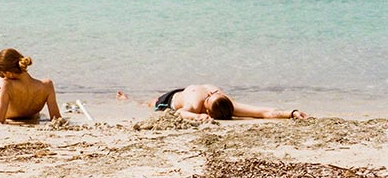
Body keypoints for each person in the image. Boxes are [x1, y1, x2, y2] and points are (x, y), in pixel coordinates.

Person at [118, 84, 308, 121]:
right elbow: (180, 112)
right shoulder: (196, 101)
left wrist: (291, 113)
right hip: (170, 99)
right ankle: (126, 99)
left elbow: (264, 112)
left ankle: (126, 98)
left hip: (183, 95)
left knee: (147, 104)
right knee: (147, 105)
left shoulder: (227, 106)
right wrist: (199, 116)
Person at [0, 48, 61, 123]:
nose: (2, 76)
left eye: (3, 73)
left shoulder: (7, 85)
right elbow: (56, 118)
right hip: (32, 115)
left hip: (10, 113)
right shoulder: (47, 85)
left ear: (9, 73)